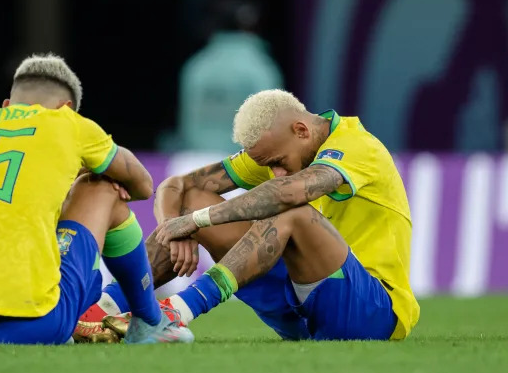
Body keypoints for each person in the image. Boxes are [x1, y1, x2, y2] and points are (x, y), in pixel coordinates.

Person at [88, 89, 419, 341]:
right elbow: (177, 185)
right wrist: (175, 229)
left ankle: (176, 312)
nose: (274, 172)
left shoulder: (359, 146)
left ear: (302, 130)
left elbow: (288, 193)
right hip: (299, 309)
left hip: (372, 312)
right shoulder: (282, 148)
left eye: (277, 161)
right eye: (267, 165)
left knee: (291, 211)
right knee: (193, 198)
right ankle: (98, 310)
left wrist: (197, 221)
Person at [0, 54, 193, 345]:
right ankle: (149, 321)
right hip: (36, 326)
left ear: (7, 104)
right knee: (104, 187)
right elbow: (143, 185)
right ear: (67, 109)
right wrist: (87, 173)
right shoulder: (66, 124)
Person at [175, 0, 283, 153]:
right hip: (245, 168)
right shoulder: (260, 68)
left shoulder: (197, 65)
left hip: (197, 164)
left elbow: (186, 127)